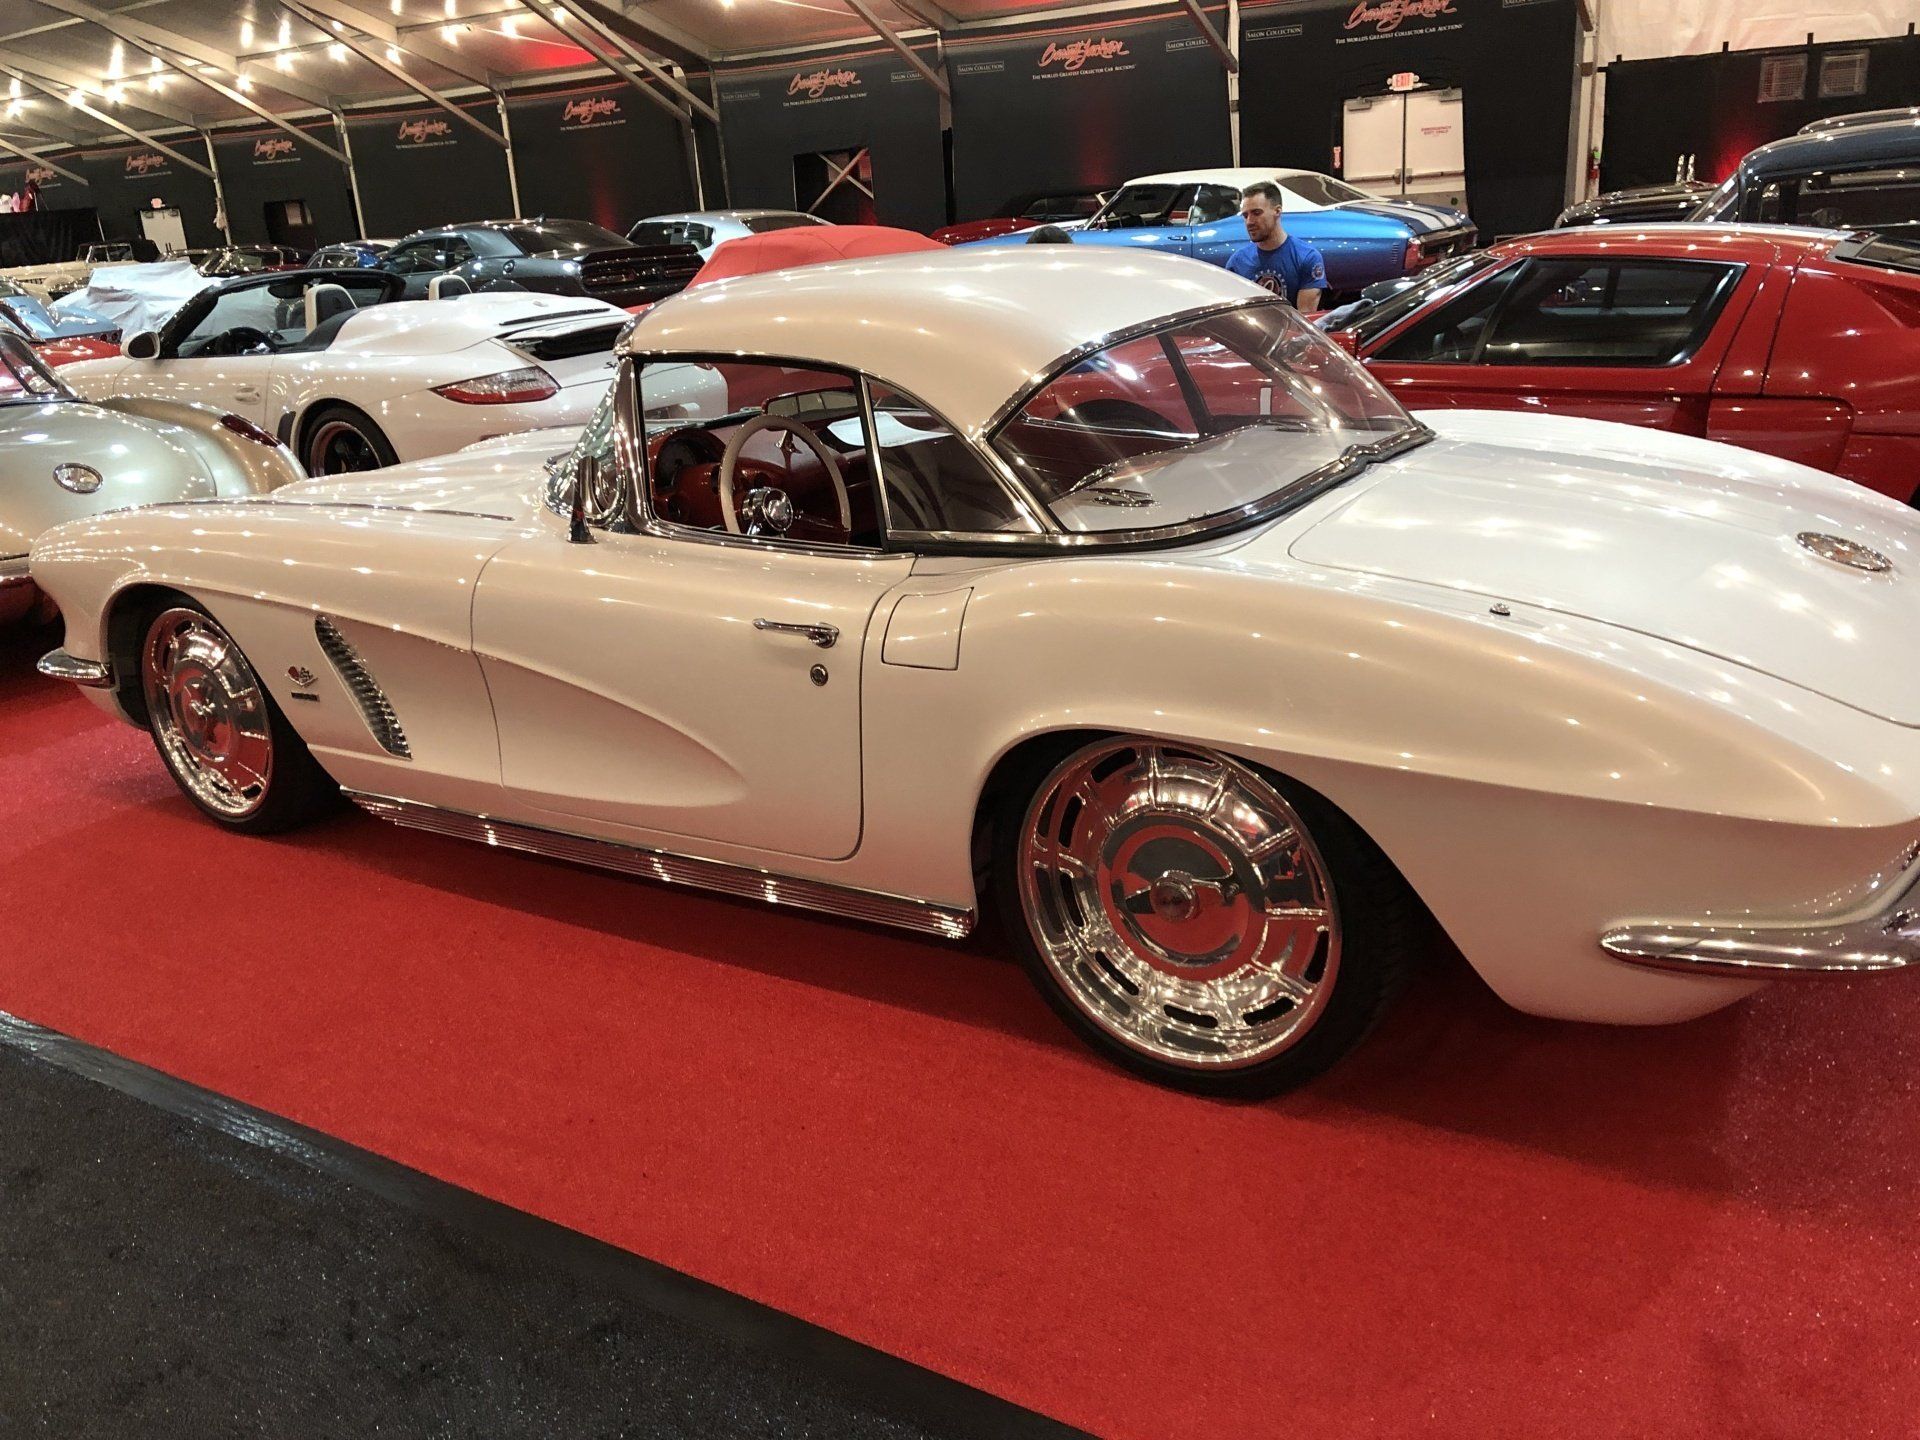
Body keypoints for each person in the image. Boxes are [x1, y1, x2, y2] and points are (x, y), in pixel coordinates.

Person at [1224, 181, 1325, 311]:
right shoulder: (1237, 262)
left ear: (1277, 211)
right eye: (1245, 215)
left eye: (1256, 213)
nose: (1249, 222)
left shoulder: (1306, 257)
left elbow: (1305, 319)